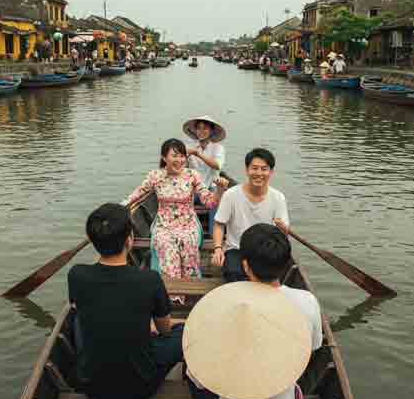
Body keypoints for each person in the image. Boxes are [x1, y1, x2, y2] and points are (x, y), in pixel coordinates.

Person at [184, 223, 322, 399]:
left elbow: (198, 378)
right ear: (285, 264)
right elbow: (312, 348)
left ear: (245, 265)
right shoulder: (307, 302)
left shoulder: (221, 304)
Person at [68, 203, 183, 399]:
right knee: (181, 331)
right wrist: (152, 325)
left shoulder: (76, 274)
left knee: (78, 318)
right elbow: (164, 331)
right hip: (141, 387)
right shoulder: (150, 279)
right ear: (129, 239)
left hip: (91, 385)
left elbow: (80, 307)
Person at [122, 139, 228, 289]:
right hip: (163, 225)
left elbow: (210, 202)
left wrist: (220, 190)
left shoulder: (192, 175)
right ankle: (173, 294)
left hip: (188, 224)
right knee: (165, 247)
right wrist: (121, 206)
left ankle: (190, 288)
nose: (179, 160)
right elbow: (137, 194)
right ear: (164, 158)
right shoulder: (155, 176)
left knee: (188, 248)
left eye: (182, 156)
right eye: (175, 156)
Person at [212, 148, 289, 283]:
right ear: (247, 170)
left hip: (264, 250)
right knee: (233, 272)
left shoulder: (278, 198)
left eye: (264, 169)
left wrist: (283, 229)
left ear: (271, 172)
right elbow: (219, 224)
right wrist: (218, 248)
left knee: (271, 275)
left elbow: (282, 235)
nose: (259, 173)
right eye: (254, 168)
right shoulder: (231, 195)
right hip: (236, 249)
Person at [183, 117, 227, 234]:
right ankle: (186, 233)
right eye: (199, 128)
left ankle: (214, 238)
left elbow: (217, 165)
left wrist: (198, 154)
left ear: (211, 131)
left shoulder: (218, 148)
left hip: (212, 188)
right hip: (194, 188)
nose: (201, 131)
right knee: (180, 200)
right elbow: (182, 168)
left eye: (205, 128)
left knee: (215, 203)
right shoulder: (189, 147)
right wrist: (184, 158)